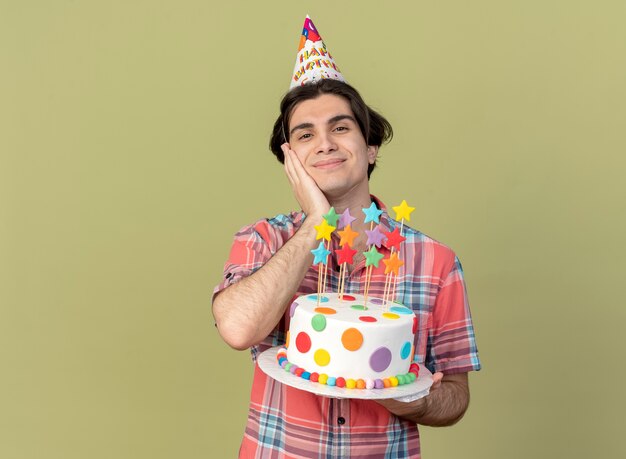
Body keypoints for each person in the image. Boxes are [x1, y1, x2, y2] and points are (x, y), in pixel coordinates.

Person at [212, 17, 480, 458]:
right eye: (305, 134)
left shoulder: (436, 261)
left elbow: (456, 396)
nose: (324, 144)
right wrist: (317, 220)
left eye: (340, 127)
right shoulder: (261, 240)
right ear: (290, 159)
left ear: (369, 147)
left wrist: (414, 399)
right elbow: (239, 328)